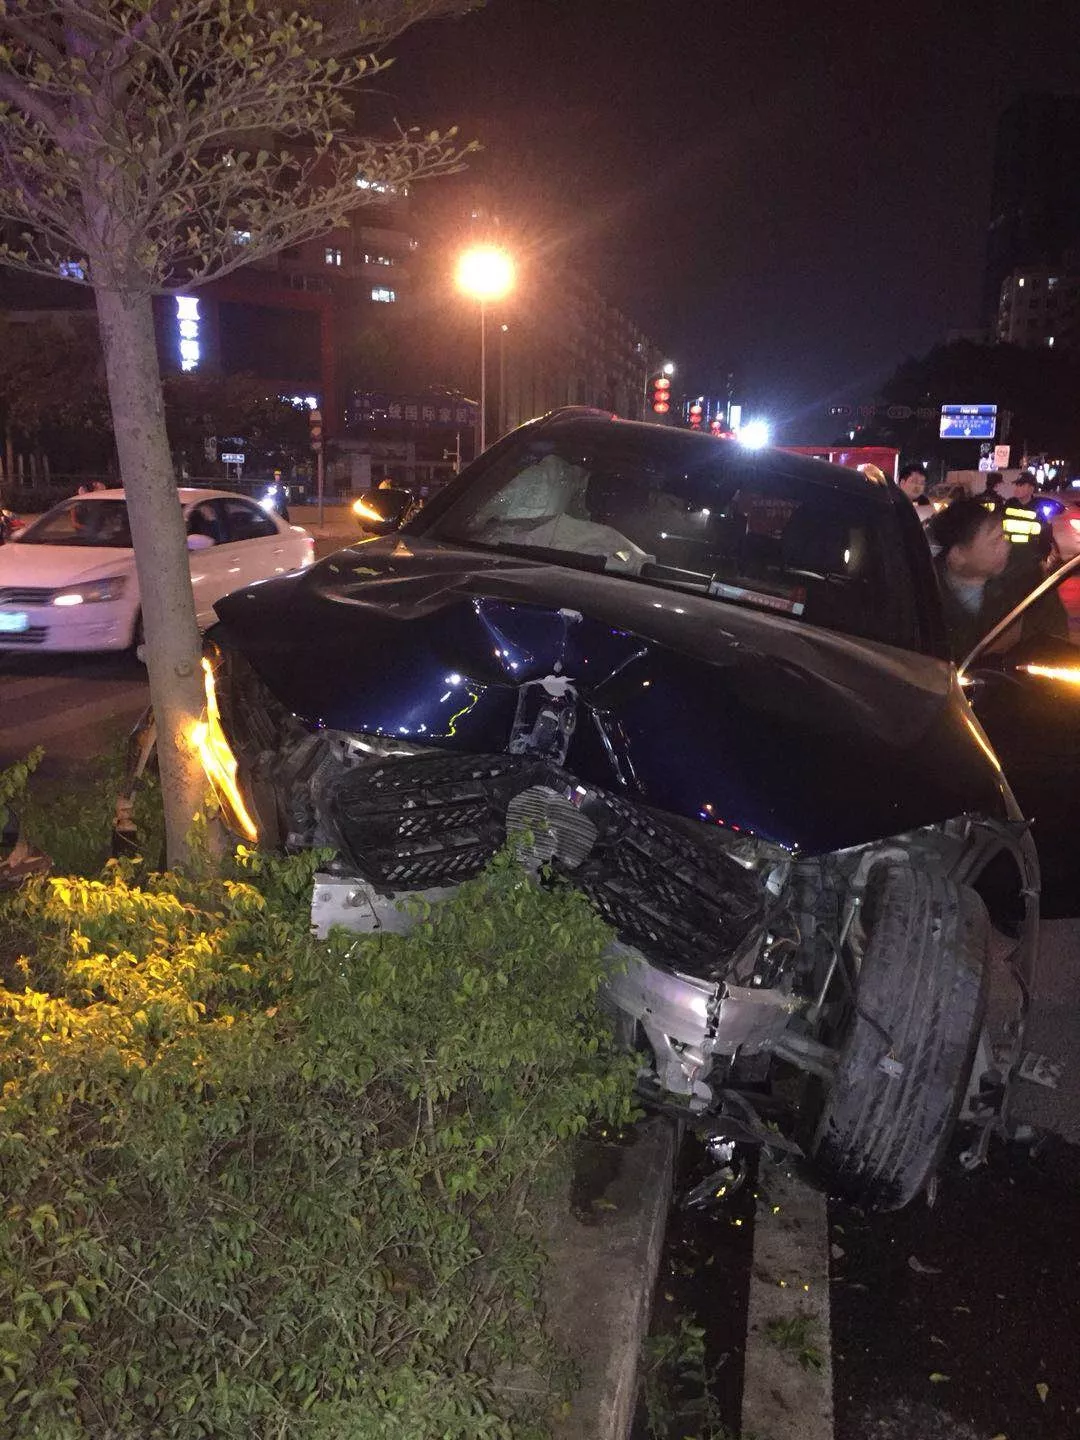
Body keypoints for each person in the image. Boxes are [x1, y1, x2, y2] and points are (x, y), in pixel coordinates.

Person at [929, 497, 1065, 661]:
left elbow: (1057, 642)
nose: (1005, 545)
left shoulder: (1028, 577)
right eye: (994, 542)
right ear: (957, 556)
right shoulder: (924, 593)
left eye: (1003, 536)